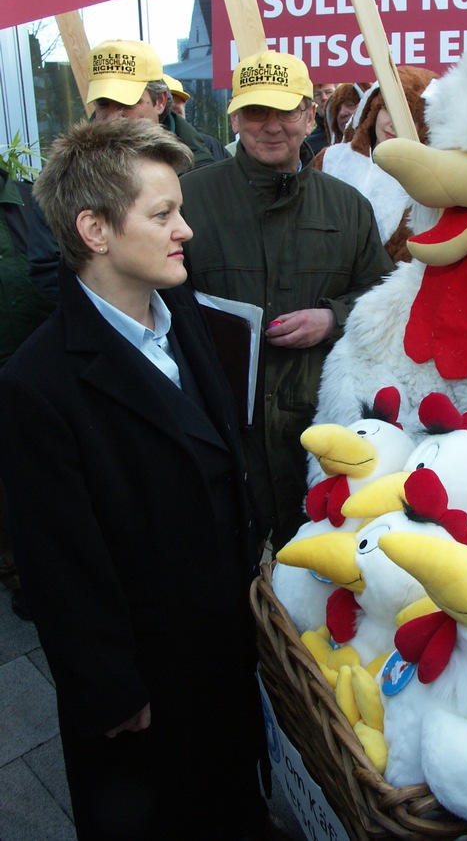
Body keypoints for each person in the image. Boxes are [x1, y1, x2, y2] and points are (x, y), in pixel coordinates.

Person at [0, 119, 271, 840]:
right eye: (162, 214)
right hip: (148, 689)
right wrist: (111, 689)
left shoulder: (179, 305)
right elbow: (56, 558)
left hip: (222, 650)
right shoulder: (38, 382)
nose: (185, 229)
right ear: (94, 229)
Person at [179, 50, 393, 551]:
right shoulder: (189, 199)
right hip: (220, 429)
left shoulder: (347, 205)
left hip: (317, 427)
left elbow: (384, 296)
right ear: (234, 117)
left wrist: (332, 317)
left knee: (313, 572)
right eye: (256, 112)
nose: (271, 126)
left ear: (309, 114)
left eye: (286, 111)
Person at [0, 163, 57, 616]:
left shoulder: (29, 195)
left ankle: (30, 572)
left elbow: (48, 276)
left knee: (32, 479)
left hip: (32, 369)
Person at [313, 67, 437, 262]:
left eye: (413, 118)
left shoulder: (429, 188)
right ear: (373, 107)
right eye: (388, 108)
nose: (394, 124)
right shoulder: (330, 161)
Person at [86, 39, 217, 168]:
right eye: (103, 104)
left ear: (160, 101)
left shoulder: (208, 158)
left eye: (126, 104)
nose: (113, 118)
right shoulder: (73, 171)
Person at [163, 72, 231, 164]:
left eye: (174, 96)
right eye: (161, 99)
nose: (168, 102)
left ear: (184, 104)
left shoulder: (210, 146)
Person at [304, 81, 337, 153]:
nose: (324, 97)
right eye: (317, 94)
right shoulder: (309, 145)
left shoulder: (354, 134)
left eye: (328, 92)